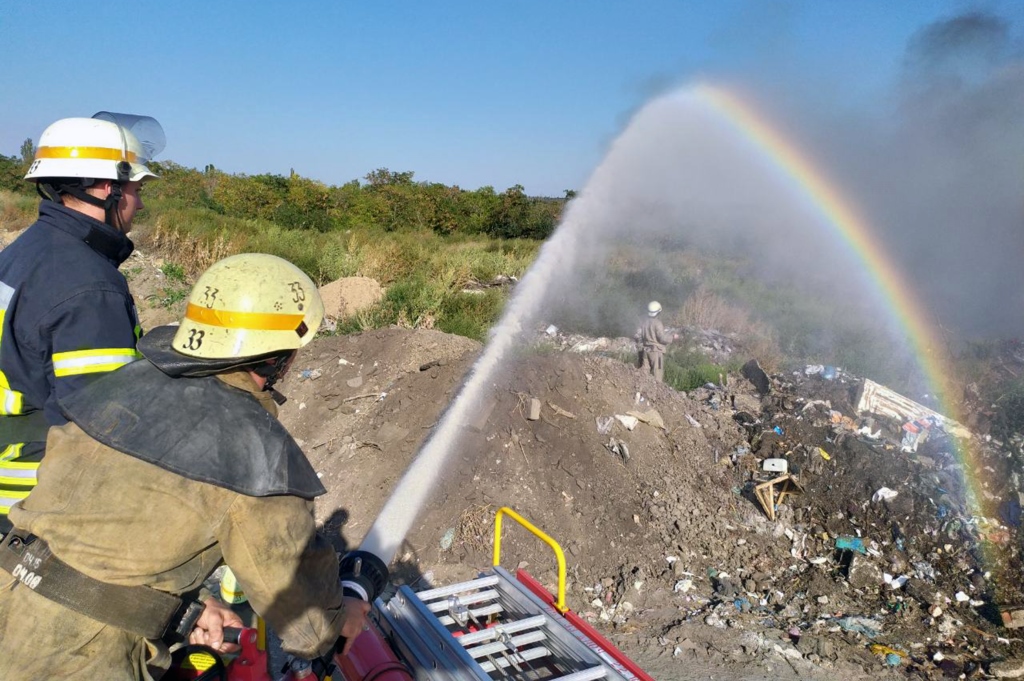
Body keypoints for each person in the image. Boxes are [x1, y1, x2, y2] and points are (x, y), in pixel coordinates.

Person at [0, 254, 369, 680]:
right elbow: (306, 627)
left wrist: (190, 609)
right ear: (278, 357)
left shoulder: (125, 384)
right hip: (74, 660)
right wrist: (343, 614)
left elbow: (99, 544)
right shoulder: (255, 449)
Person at [0, 113, 166, 529]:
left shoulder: (25, 252)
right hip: (34, 499)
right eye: (136, 189)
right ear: (109, 187)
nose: (140, 203)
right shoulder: (90, 286)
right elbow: (97, 428)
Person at [636, 300, 677, 383]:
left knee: (643, 375)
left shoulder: (644, 322)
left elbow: (638, 336)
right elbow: (662, 339)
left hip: (645, 351)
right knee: (657, 376)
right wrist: (672, 337)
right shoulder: (657, 323)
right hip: (655, 352)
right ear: (658, 312)